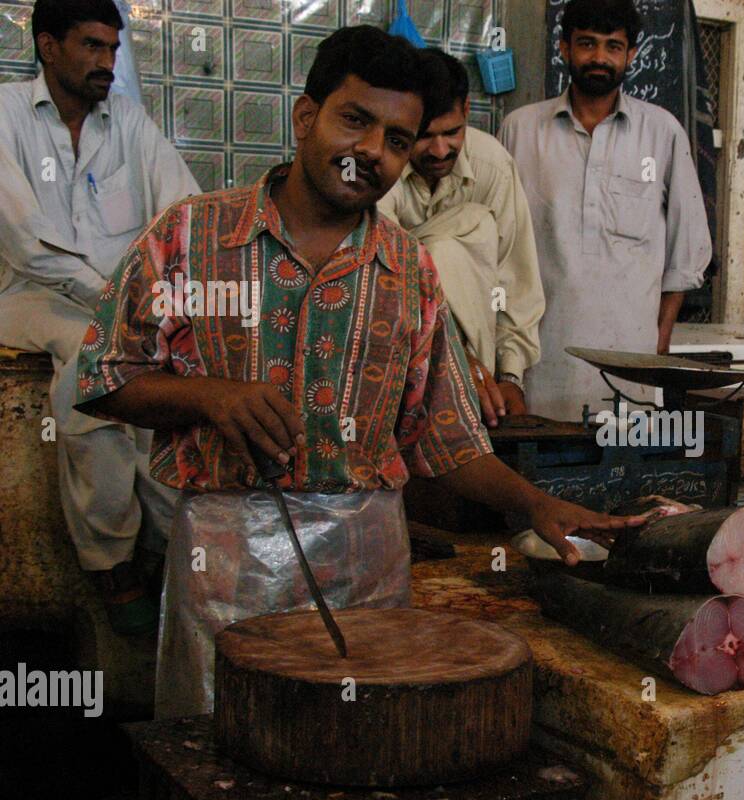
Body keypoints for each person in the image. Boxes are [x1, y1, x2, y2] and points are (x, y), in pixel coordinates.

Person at [75, 26, 641, 717]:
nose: (372, 151)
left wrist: (536, 505)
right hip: (226, 559)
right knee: (220, 752)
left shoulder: (408, 272)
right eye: (355, 120)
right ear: (306, 116)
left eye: (397, 140)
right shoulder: (190, 238)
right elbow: (102, 375)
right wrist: (208, 396)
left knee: (357, 750)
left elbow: (444, 437)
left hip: (367, 563)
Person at [0, 0, 199, 636]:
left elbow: (183, 209)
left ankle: (167, 549)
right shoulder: (4, 115)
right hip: (30, 297)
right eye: (90, 46)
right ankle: (110, 563)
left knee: (177, 368)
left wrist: (168, 294)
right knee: (89, 358)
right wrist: (119, 306)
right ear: (47, 45)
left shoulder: (129, 122)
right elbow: (27, 244)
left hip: (126, 304)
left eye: (112, 49)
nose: (106, 63)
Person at [499, 0, 711, 422]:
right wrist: (504, 368)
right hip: (538, 369)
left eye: (613, 47)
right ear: (564, 48)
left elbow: (687, 253)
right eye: (587, 44)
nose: (599, 58)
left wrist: (657, 344)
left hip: (630, 370)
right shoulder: (520, 130)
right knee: (539, 475)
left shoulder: (662, 132)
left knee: (624, 481)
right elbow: (496, 253)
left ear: (631, 54)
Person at [378, 48, 544, 428]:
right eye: (424, 137)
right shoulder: (381, 168)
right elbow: (383, 284)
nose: (439, 150)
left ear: (467, 110)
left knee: (475, 223)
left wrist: (511, 377)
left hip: (479, 368)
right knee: (436, 252)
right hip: (396, 359)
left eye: (451, 133)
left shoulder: (492, 165)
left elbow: (513, 281)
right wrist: (448, 360)